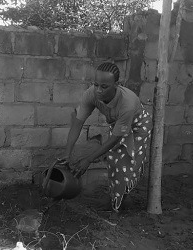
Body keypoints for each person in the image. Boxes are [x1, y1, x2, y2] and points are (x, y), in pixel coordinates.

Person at [61, 62, 153, 213]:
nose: (98, 90)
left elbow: (116, 138)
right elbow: (77, 123)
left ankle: (120, 204)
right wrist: (67, 153)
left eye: (104, 87)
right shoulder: (91, 94)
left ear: (117, 84)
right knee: (113, 161)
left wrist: (88, 159)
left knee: (126, 162)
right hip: (119, 125)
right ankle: (115, 199)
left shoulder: (127, 103)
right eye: (96, 84)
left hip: (138, 127)